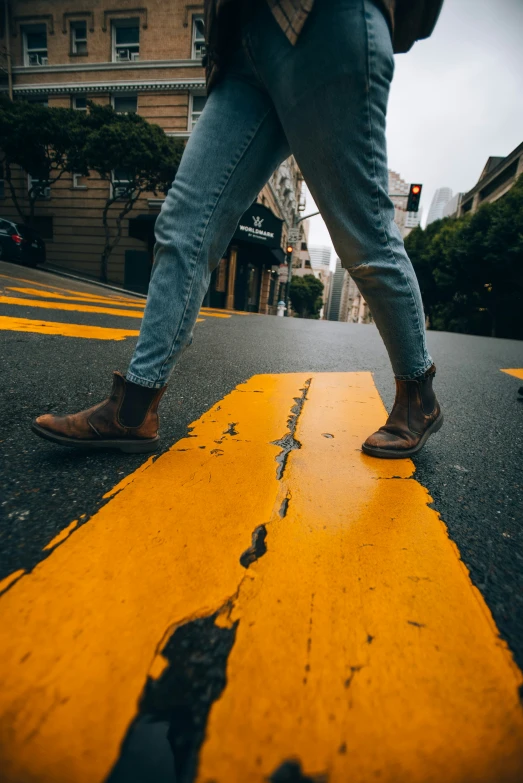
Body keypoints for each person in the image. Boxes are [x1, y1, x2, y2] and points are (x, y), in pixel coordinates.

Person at [32, 0, 445, 459]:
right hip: (241, 49)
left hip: (323, 22)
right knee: (183, 225)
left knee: (362, 234)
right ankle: (133, 410)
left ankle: (418, 396)